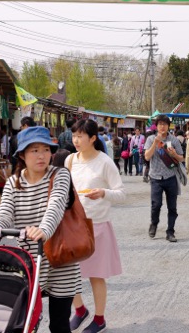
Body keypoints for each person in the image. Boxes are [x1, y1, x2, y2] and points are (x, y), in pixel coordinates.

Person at [0, 126, 81, 333]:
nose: (42, 155)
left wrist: (43, 230)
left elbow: (56, 205)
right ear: (22, 155)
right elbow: (4, 213)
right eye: (34, 150)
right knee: (24, 320)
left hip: (61, 257)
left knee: (59, 323)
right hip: (31, 260)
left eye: (46, 149)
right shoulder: (14, 183)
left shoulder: (60, 175)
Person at [67, 119, 125, 333]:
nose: (76, 140)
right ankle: (80, 310)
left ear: (93, 138)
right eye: (74, 136)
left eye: (80, 136)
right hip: (73, 226)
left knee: (95, 274)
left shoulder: (105, 162)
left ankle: (99, 319)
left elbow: (121, 193)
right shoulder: (71, 160)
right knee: (68, 272)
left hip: (97, 226)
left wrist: (103, 193)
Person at [144, 115, 184, 242]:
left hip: (170, 176)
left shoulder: (174, 139)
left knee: (172, 207)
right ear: (156, 126)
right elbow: (147, 157)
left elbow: (181, 158)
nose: (162, 126)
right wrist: (155, 143)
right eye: (160, 124)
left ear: (168, 126)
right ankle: (154, 224)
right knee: (156, 204)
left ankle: (170, 232)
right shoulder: (151, 139)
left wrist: (174, 154)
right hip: (155, 177)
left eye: (165, 124)